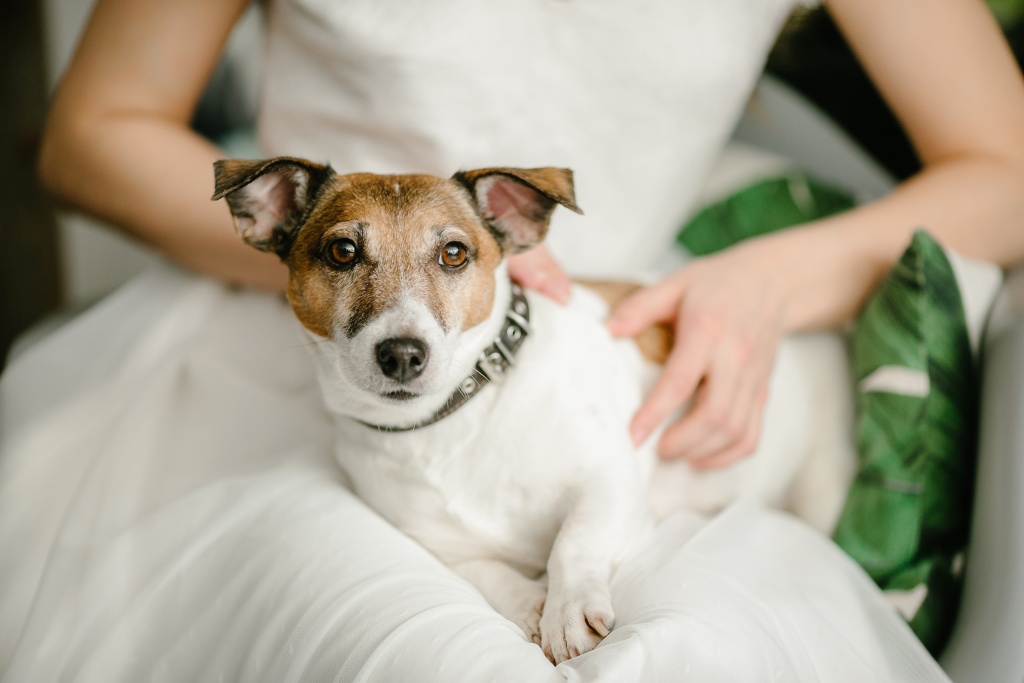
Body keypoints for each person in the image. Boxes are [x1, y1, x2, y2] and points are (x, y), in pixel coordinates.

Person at [2, 0, 1021, 679]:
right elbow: (88, 133)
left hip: (593, 343)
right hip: (276, 354)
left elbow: (1009, 168)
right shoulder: (301, 244)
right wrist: (318, 247)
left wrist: (764, 281)